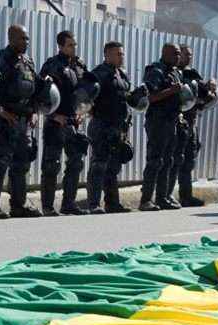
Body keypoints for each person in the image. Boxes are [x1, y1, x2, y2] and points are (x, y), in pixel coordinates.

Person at [0, 25, 43, 219]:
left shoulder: (28, 61)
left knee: (22, 164)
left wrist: (34, 112)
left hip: (24, 120)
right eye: (22, 38)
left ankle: (19, 205)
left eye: (27, 39)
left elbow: (35, 88)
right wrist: (0, 110)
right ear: (11, 38)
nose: (26, 42)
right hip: (4, 119)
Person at [38, 30, 89, 216]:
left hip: (74, 122)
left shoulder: (79, 65)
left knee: (75, 163)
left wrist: (82, 111)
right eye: (70, 45)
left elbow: (85, 91)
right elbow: (41, 94)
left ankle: (69, 203)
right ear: (60, 46)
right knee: (52, 165)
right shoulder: (52, 65)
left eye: (75, 44)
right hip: (56, 122)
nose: (74, 48)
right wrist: (52, 116)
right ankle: (48, 206)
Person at [86, 41, 135, 214]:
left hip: (118, 127)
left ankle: (112, 203)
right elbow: (86, 98)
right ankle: (93, 204)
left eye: (122, 54)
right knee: (99, 164)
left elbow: (126, 98)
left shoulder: (122, 74)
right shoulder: (98, 74)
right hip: (102, 125)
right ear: (107, 55)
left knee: (113, 167)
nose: (121, 57)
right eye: (117, 54)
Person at [166, 44, 212, 207]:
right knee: (173, 160)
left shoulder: (192, 74)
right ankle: (166, 194)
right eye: (185, 54)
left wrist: (209, 88)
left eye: (190, 55)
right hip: (176, 122)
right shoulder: (172, 74)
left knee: (188, 161)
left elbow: (204, 96)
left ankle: (186, 196)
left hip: (191, 122)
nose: (187, 58)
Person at [139, 43, 183, 211]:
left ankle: (162, 197)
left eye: (179, 54)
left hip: (171, 121)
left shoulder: (175, 72)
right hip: (158, 121)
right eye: (175, 54)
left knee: (167, 161)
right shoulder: (155, 71)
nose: (178, 57)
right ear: (165, 53)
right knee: (155, 161)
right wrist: (171, 91)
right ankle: (146, 200)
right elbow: (149, 97)